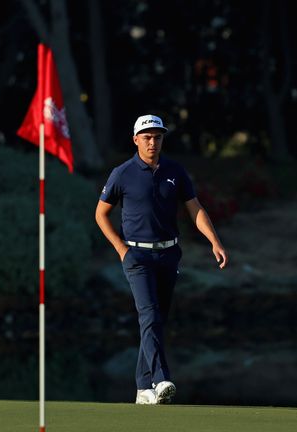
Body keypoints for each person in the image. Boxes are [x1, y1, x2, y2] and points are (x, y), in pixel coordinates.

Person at [95, 114, 228, 405]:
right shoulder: (123, 172)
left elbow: (195, 208)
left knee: (156, 320)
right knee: (150, 316)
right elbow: (100, 214)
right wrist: (121, 249)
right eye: (147, 137)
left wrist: (214, 241)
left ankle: (143, 388)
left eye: (157, 137)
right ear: (136, 140)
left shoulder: (175, 171)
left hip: (168, 254)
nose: (152, 141)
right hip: (137, 256)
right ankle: (161, 379)